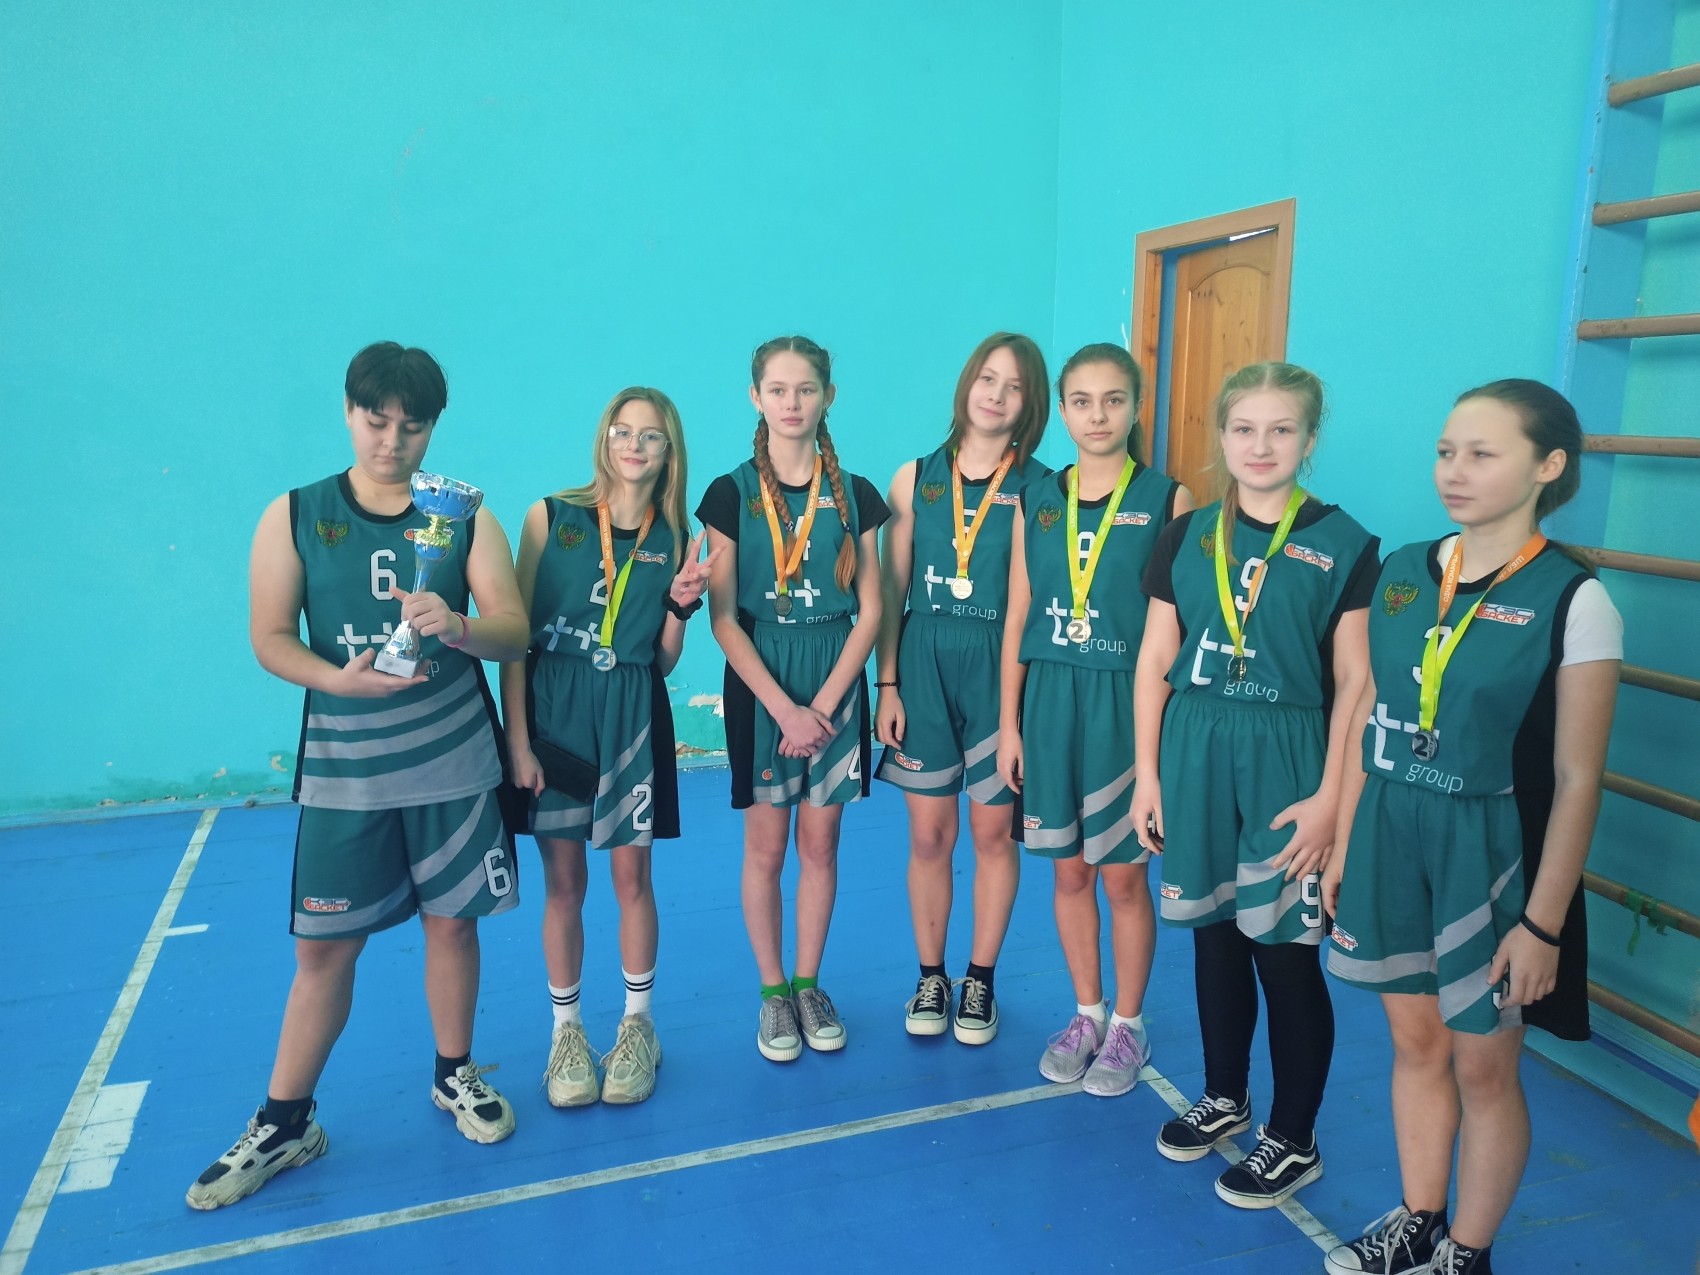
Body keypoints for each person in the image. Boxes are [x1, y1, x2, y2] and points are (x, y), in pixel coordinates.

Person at [188, 342, 529, 1210]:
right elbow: (270, 636)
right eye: (377, 421)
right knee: (323, 950)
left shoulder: (466, 517)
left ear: (433, 428)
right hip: (347, 774)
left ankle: (454, 1072)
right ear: (349, 413)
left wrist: (458, 625)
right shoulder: (296, 513)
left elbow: (514, 629)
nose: (392, 441)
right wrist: (337, 681)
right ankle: (285, 1120)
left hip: (452, 764)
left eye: (412, 426)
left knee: (453, 928)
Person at [1322, 380, 1620, 1275]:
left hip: (1492, 859)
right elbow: (1367, 715)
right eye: (1447, 450)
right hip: (1391, 838)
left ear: (1548, 465)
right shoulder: (1404, 569)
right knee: (1415, 1043)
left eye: (1483, 453)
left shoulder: (1576, 599)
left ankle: (1468, 1250)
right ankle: (1419, 1218)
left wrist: (1542, 924)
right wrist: (1344, 844)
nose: (1454, 470)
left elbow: (1577, 779)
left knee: (1485, 1067)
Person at [1132, 361, 1378, 1209]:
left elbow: (1356, 683)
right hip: (1196, 748)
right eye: (1245, 428)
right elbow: (1155, 659)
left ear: (1309, 439)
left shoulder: (1346, 544)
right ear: (1223, 437)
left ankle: (1294, 1136)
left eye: (1281, 429)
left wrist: (1333, 801)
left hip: (1289, 757)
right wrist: (1148, 776)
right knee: (1213, 934)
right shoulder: (1186, 534)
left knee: (1285, 951)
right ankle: (1225, 1093)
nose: (1261, 445)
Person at [502, 387, 716, 1108]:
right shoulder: (551, 517)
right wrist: (518, 741)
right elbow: (514, 639)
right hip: (556, 713)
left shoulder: (675, 537)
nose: (634, 445)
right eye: (623, 431)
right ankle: (566, 1033)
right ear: (604, 438)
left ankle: (637, 1027)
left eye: (650, 435)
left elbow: (661, 660)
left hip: (629, 714)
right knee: (564, 884)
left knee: (632, 881)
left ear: (668, 451)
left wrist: (683, 604)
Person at [996, 342, 1189, 1098]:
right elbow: (1018, 612)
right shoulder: (1036, 498)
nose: (1098, 415)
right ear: (1063, 410)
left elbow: (1175, 630)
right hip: (1050, 701)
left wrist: (1157, 750)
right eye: (1082, 400)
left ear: (1136, 407)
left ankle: (1129, 1024)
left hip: (1124, 701)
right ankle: (1087, 1012)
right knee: (1069, 871)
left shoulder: (1170, 499)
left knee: (1124, 878)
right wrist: (1009, 724)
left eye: (1114, 399)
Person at [696, 336, 890, 1062]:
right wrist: (785, 710)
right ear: (756, 397)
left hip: (835, 672)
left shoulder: (856, 495)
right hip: (763, 680)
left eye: (806, 389)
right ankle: (773, 992)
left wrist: (826, 707)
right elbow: (722, 617)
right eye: (777, 389)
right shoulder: (728, 493)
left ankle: (809, 982)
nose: (792, 402)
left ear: (828, 396)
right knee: (767, 845)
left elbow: (872, 610)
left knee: (821, 842)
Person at [874, 332, 1052, 1044]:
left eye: (1014, 385)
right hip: (923, 661)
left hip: (998, 664)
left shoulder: (1042, 489)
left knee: (990, 833)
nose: (997, 395)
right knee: (929, 834)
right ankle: (931, 975)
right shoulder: (913, 478)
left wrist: (1013, 716)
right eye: (987, 378)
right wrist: (887, 682)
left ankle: (980, 978)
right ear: (966, 384)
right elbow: (890, 589)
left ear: (1030, 403)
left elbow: (1026, 606)